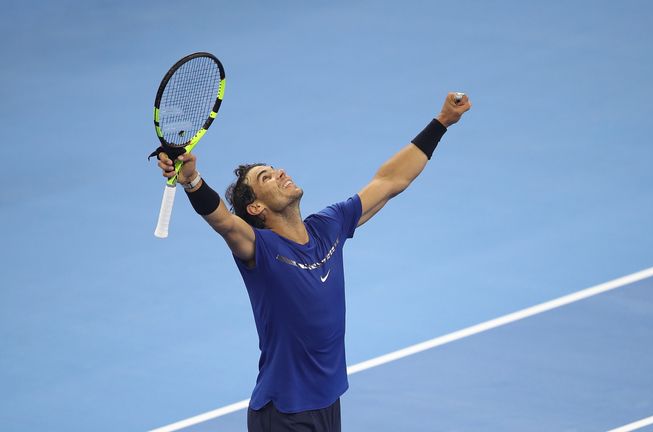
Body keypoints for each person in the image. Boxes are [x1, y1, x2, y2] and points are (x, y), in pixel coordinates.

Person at [156, 92, 471, 432]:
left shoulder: (328, 227)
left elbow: (390, 181)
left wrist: (441, 123)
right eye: (266, 178)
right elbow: (223, 221)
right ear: (256, 209)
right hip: (285, 413)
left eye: (274, 169)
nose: (279, 173)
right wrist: (191, 180)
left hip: (326, 403)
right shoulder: (259, 248)